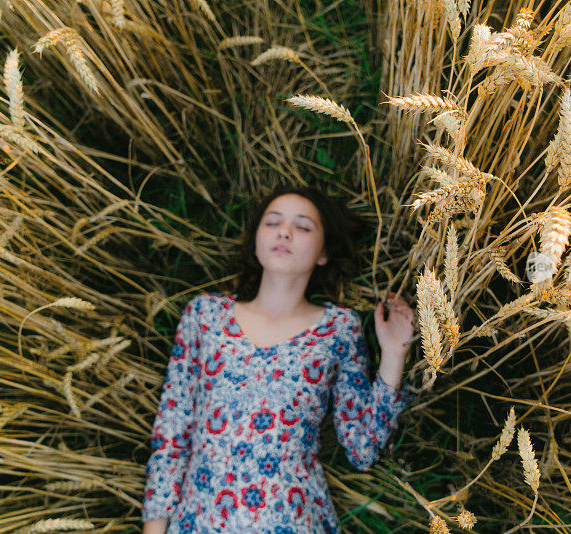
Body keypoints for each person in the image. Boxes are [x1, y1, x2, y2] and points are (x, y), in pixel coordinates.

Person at [141, 184, 415, 533]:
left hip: (292, 521)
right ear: (256, 241)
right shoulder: (205, 316)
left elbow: (362, 448)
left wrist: (393, 355)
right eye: (272, 223)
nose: (284, 231)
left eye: (303, 227)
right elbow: (172, 431)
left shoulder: (338, 329)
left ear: (323, 253)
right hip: (200, 522)